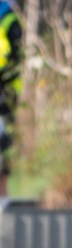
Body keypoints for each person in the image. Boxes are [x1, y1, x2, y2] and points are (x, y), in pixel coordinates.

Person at [0, 1, 21, 199]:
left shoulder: (9, 21)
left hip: (4, 96)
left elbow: (15, 61)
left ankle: (2, 198)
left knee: (3, 144)